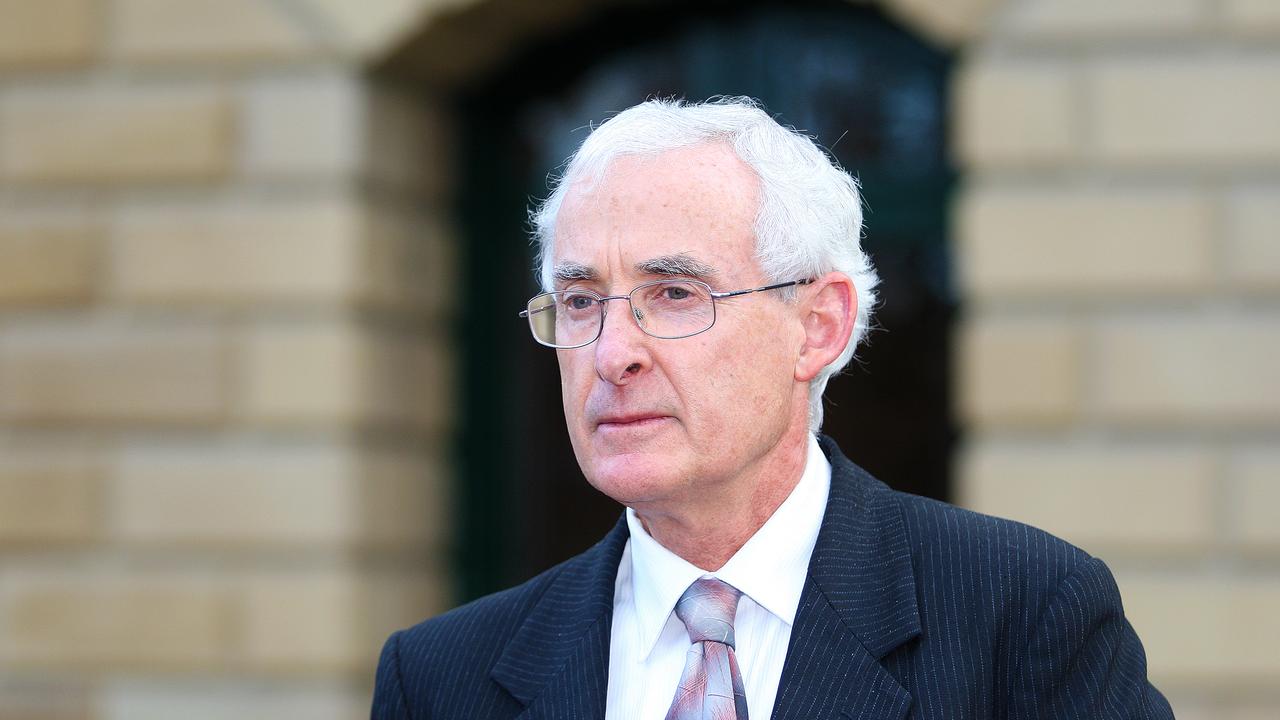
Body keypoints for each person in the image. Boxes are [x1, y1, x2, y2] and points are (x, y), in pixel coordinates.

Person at [371, 97, 1173, 719]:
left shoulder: (1021, 617)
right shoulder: (443, 676)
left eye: (675, 294)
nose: (612, 352)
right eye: (581, 302)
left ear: (818, 326)